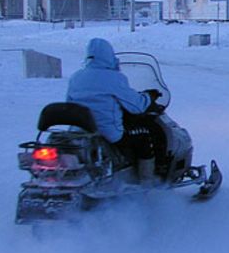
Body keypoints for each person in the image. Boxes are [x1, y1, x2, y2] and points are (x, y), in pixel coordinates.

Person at [66, 38, 161, 183]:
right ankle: (147, 183)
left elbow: (69, 103)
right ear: (109, 56)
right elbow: (136, 106)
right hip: (108, 132)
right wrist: (149, 96)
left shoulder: (76, 77)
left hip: (80, 131)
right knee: (144, 138)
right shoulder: (114, 78)